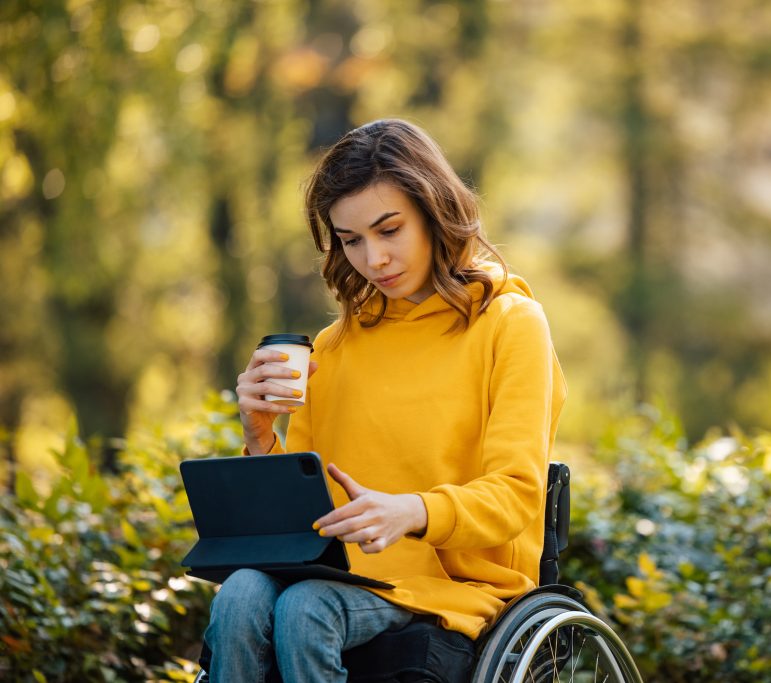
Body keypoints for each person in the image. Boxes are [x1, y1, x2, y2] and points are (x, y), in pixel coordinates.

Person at [202, 118, 567, 682]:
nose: (374, 259)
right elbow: (304, 518)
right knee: (242, 593)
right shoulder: (332, 347)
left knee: (305, 609)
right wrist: (259, 437)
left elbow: (515, 495)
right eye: (351, 240)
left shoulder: (510, 324)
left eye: (389, 229)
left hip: (456, 586)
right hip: (342, 574)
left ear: (434, 211)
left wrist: (413, 511)